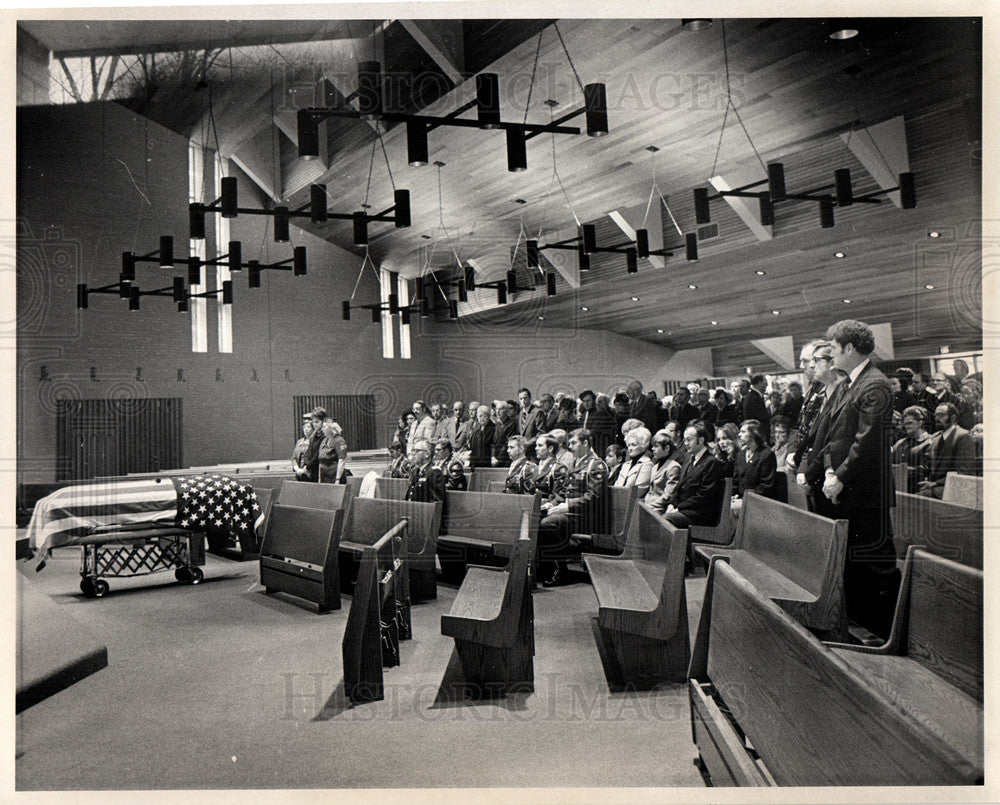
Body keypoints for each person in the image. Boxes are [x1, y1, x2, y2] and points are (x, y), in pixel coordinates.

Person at [800, 320, 898, 639]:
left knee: (874, 565)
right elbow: (836, 436)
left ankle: (882, 634)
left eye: (834, 349)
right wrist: (829, 469)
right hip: (850, 489)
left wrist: (839, 476)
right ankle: (859, 627)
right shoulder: (849, 382)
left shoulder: (875, 384)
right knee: (854, 566)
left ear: (849, 349)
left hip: (868, 493)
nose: (831, 354)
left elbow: (866, 441)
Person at [536, 428, 610, 586]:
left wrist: (567, 506)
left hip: (588, 516)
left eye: (574, 443)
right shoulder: (576, 463)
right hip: (574, 514)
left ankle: (560, 570)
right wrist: (553, 503)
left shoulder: (596, 465)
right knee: (536, 517)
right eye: (569, 443)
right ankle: (544, 568)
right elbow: (565, 491)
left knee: (549, 524)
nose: (570, 446)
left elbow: (593, 497)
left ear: (585, 443)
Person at [650, 422, 725, 528]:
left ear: (701, 440)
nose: (686, 443)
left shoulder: (712, 462)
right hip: (684, 509)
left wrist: (679, 508)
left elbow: (704, 495)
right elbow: (678, 488)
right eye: (684, 440)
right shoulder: (688, 459)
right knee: (651, 513)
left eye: (689, 439)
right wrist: (672, 504)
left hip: (699, 514)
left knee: (665, 520)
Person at [916, 403, 975, 498]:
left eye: (941, 415)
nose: (937, 419)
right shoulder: (936, 438)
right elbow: (929, 465)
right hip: (935, 486)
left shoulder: (963, 437)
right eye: (936, 415)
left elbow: (963, 472)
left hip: (955, 488)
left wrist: (935, 483)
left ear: (953, 417)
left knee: (919, 498)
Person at [731, 420, 778, 517]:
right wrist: (734, 495)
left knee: (730, 509)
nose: (739, 435)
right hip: (740, 500)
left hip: (759, 502)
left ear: (754, 433)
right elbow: (735, 481)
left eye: (743, 432)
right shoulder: (740, 455)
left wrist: (745, 499)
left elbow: (766, 486)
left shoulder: (766, 455)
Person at [891, 405, 933, 493]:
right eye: (905, 424)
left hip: (918, 489)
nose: (906, 426)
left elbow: (927, 468)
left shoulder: (929, 442)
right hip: (897, 487)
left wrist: (904, 470)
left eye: (910, 423)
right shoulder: (900, 443)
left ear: (920, 423)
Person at [613, 426, 653, 496]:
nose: (630, 448)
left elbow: (638, 491)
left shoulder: (647, 465)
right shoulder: (626, 465)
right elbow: (616, 486)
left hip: (632, 504)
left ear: (642, 446)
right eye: (629, 445)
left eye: (634, 445)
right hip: (618, 501)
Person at [644, 432, 682, 505]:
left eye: (656, 446)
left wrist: (649, 506)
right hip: (647, 505)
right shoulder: (655, 466)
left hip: (658, 508)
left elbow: (668, 496)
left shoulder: (673, 467)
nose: (652, 448)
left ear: (667, 448)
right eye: (652, 446)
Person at [404, 438, 445, 503]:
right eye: (413, 450)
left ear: (427, 454)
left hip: (424, 512)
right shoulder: (415, 471)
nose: (413, 454)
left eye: (417, 451)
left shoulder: (435, 473)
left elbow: (436, 503)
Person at [491, 400, 518, 467]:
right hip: (495, 460)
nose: (498, 411)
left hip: (506, 460)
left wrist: (499, 459)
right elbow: (494, 443)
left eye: (500, 409)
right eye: (497, 409)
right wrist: (493, 457)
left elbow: (507, 443)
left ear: (506, 410)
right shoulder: (497, 424)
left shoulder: (512, 424)